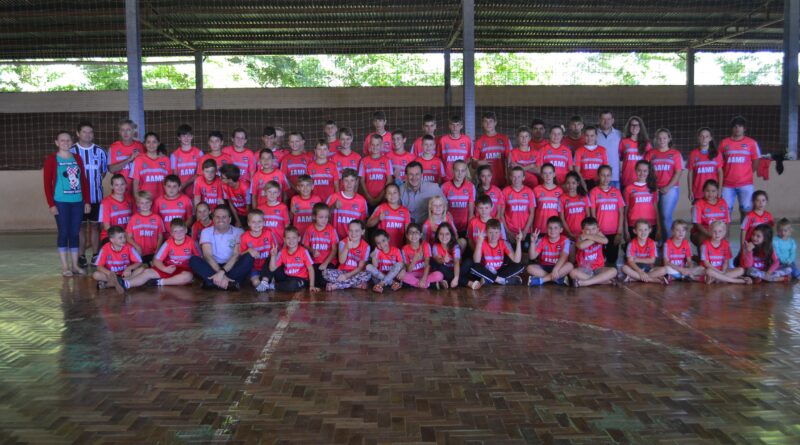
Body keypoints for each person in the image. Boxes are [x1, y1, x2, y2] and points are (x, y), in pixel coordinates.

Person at [43, 130, 92, 276]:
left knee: (74, 233)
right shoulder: (52, 160)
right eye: (62, 140)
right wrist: (51, 204)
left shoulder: (77, 158)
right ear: (57, 143)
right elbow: (47, 184)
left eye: (68, 140)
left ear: (72, 142)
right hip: (61, 202)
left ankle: (75, 265)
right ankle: (65, 267)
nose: (65, 143)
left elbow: (83, 181)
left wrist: (87, 201)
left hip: (77, 201)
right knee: (64, 232)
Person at [119, 218, 198, 290]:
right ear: (171, 233)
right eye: (175, 231)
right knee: (147, 272)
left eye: (181, 230)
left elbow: (199, 260)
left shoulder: (192, 242)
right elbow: (157, 260)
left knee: (188, 277)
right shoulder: (168, 243)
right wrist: (165, 269)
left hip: (183, 270)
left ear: (186, 230)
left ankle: (159, 282)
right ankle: (126, 284)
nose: (179, 233)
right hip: (168, 267)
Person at [70, 121, 107, 269]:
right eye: (84, 132)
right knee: (80, 227)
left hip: (95, 197)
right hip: (77, 199)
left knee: (95, 227)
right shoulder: (71, 151)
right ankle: (81, 256)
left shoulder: (100, 151)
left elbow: (103, 172)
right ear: (78, 133)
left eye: (90, 132)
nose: (88, 135)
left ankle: (96, 255)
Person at [189, 206, 254, 290]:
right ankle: (230, 284)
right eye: (217, 217)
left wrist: (222, 272)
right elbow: (207, 256)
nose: (220, 219)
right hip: (213, 266)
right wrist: (220, 272)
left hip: (232, 266)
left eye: (224, 217)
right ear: (213, 219)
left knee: (248, 258)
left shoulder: (239, 232)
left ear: (230, 219)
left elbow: (236, 255)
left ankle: (212, 283)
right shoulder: (206, 232)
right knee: (193, 260)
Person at [645, 128, 683, 242]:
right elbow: (645, 170)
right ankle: (658, 241)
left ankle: (668, 243)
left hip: (670, 189)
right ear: (656, 139)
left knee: (665, 216)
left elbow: (678, 172)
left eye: (664, 138)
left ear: (669, 139)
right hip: (653, 188)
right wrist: (651, 186)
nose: (662, 140)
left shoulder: (675, 154)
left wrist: (668, 187)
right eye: (659, 138)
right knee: (654, 216)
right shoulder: (651, 153)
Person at [719, 116, 761, 219]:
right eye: (735, 126)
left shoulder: (752, 143)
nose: (737, 129)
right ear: (731, 128)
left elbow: (756, 160)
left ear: (744, 128)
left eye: (740, 126)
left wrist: (749, 172)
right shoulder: (724, 143)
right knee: (725, 215)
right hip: (727, 185)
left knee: (746, 213)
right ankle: (725, 236)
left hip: (746, 184)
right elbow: (719, 162)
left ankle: (745, 235)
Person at [589, 165, 624, 267]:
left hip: (614, 233)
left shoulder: (616, 192)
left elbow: (621, 213)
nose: (606, 178)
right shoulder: (594, 192)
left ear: (611, 176)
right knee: (599, 260)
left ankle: (612, 277)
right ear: (598, 176)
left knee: (612, 260)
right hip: (600, 232)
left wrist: (619, 232)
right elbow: (592, 214)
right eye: (603, 175)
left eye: (608, 175)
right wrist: (596, 232)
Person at [265, 226, 319, 292]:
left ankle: (273, 286)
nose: (291, 240)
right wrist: (273, 256)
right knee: (269, 259)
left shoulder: (303, 251)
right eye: (288, 238)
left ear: (299, 239)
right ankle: (267, 282)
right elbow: (272, 269)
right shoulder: (282, 252)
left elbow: (310, 269)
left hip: (300, 279)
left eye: (294, 238)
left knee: (292, 285)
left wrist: (312, 286)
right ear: (284, 239)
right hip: (287, 277)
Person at [470, 219, 524, 286]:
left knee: (519, 266)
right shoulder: (482, 242)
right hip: (486, 271)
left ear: (500, 233)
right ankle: (501, 280)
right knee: (473, 266)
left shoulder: (503, 243)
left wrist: (518, 242)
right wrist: (479, 242)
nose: (493, 236)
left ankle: (489, 279)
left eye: (496, 232)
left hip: (499, 271)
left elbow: (516, 260)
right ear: (486, 232)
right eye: (490, 233)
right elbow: (476, 261)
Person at [568, 217, 618, 287]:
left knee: (614, 271)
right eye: (588, 230)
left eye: (593, 229)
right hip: (584, 269)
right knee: (572, 273)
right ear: (582, 231)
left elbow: (606, 241)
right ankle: (602, 281)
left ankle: (586, 283)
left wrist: (588, 236)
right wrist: (596, 238)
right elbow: (581, 246)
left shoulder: (597, 235)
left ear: (598, 229)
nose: (591, 232)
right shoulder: (580, 237)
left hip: (598, 268)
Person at [323, 219, 372, 291]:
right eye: (351, 230)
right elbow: (341, 261)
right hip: (342, 271)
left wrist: (346, 276)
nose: (353, 233)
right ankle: (355, 285)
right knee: (325, 273)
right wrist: (346, 247)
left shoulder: (366, 246)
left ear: (362, 232)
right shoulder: (343, 242)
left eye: (357, 231)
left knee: (367, 274)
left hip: (355, 272)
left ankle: (336, 286)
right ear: (348, 231)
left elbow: (360, 267)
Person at [93, 225, 143, 293]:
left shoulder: (129, 247)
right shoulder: (105, 248)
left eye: (124, 237)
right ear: (112, 240)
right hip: (112, 275)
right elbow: (99, 266)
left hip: (125, 274)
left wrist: (129, 268)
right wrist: (110, 273)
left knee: (141, 270)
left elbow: (139, 262)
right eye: (120, 238)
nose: (124, 240)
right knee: (96, 275)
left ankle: (108, 285)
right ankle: (123, 282)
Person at [526, 217, 574, 286]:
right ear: (546, 229)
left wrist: (555, 269)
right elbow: (532, 257)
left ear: (561, 230)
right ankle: (558, 279)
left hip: (559, 267)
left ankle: (542, 280)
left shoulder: (565, 240)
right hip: (544, 267)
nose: (552, 230)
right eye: (550, 228)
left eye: (555, 228)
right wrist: (533, 242)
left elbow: (564, 256)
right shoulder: (542, 240)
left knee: (570, 266)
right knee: (529, 268)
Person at [430, 222, 478, 289]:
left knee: (469, 262)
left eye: (447, 234)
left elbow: (456, 262)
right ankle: (468, 283)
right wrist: (442, 260)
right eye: (441, 234)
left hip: (457, 271)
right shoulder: (435, 246)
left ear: (451, 235)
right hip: (444, 272)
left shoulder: (455, 246)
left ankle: (449, 282)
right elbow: (436, 259)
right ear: (437, 235)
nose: (444, 237)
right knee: (438, 266)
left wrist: (456, 278)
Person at [239, 210, 278, 291]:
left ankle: (268, 280)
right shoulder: (244, 237)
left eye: (259, 221)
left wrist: (274, 254)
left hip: (267, 266)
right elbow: (241, 255)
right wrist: (249, 250)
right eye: (253, 222)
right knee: (256, 283)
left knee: (271, 262)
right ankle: (265, 284)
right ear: (249, 223)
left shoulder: (269, 233)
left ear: (264, 222)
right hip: (254, 267)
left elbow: (274, 252)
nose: (257, 224)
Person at [302, 203, 338, 289]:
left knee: (323, 281)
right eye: (321, 217)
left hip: (328, 262)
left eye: (326, 217)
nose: (324, 220)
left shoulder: (331, 229)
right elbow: (305, 246)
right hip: (314, 262)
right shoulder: (309, 229)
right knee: (309, 280)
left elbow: (334, 249)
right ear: (314, 217)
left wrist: (325, 263)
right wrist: (312, 250)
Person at [326, 168, 368, 240]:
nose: (349, 184)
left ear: (356, 182)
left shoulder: (362, 201)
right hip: (335, 240)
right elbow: (323, 216)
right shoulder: (333, 197)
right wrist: (333, 206)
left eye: (352, 180)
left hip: (353, 241)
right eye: (346, 180)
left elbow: (363, 224)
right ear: (342, 182)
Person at [473, 111, 511, 188]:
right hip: (484, 184)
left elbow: (510, 162)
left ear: (495, 123)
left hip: (501, 182)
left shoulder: (505, 139)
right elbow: (473, 165)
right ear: (482, 124)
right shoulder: (478, 141)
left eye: (491, 121)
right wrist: (479, 163)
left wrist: (509, 179)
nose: (488, 124)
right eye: (485, 121)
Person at [623, 160, 660, 241]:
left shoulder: (653, 187)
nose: (642, 173)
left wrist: (659, 228)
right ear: (635, 170)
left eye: (645, 171)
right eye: (639, 170)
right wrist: (625, 230)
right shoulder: (628, 189)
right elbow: (625, 210)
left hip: (650, 224)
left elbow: (656, 208)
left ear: (648, 172)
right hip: (634, 224)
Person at [126, 191, 165, 264]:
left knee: (153, 269)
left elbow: (160, 237)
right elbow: (128, 237)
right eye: (142, 203)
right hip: (138, 253)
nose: (145, 205)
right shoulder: (133, 219)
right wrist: (137, 247)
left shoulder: (157, 218)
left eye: (147, 202)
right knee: (139, 269)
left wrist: (157, 251)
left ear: (151, 203)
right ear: (138, 204)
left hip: (152, 253)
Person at [400, 223, 444, 289]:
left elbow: (427, 264)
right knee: (402, 276)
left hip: (425, 273)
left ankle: (416, 284)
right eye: (411, 232)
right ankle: (429, 285)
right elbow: (409, 270)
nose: (414, 235)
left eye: (416, 232)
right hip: (413, 274)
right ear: (407, 235)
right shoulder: (404, 249)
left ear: (421, 235)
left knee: (439, 275)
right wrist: (415, 259)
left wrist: (423, 279)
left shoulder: (425, 245)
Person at [367, 183, 411, 249]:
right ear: (385, 196)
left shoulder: (405, 211)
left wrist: (408, 248)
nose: (392, 195)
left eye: (395, 192)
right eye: (389, 193)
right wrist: (378, 218)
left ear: (399, 194)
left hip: (398, 249)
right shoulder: (381, 208)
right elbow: (368, 224)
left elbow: (408, 232)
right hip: (382, 249)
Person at [130, 132, 170, 201]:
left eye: (154, 142)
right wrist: (138, 200)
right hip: (145, 202)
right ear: (144, 144)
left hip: (162, 201)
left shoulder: (166, 160)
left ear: (158, 143)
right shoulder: (138, 160)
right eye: (148, 142)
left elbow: (169, 182)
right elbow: (135, 183)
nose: (151, 145)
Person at [690, 179, 729, 250]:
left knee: (725, 242)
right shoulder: (698, 204)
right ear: (703, 191)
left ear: (717, 191)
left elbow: (727, 222)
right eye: (707, 191)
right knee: (703, 239)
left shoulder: (723, 202)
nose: (710, 194)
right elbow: (697, 224)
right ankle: (700, 259)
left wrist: (724, 234)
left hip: (718, 232)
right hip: (703, 232)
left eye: (713, 191)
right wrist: (709, 234)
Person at [686, 127, 723, 203]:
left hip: (712, 192)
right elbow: (690, 173)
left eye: (706, 136)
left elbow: (720, 172)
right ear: (698, 138)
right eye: (702, 136)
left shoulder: (717, 154)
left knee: (712, 213)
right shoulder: (693, 154)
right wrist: (690, 190)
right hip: (698, 191)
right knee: (698, 214)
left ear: (710, 138)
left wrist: (719, 189)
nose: (704, 138)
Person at [359, 134, 394, 209]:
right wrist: (368, 196)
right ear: (369, 145)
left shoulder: (387, 161)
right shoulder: (364, 161)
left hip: (383, 199)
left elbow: (389, 180)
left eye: (377, 145)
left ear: (381, 145)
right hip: (368, 199)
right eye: (373, 144)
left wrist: (380, 197)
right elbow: (361, 180)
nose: (375, 147)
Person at [108, 119, 143, 193]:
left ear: (133, 131)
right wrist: (129, 159)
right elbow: (111, 169)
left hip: (137, 190)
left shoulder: (141, 146)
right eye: (123, 130)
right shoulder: (113, 147)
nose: (125, 133)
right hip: (120, 191)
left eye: (128, 130)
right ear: (120, 132)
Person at [441, 160, 476, 235]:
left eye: (462, 171)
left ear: (465, 172)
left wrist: (469, 229)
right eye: (457, 170)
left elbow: (471, 211)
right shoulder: (445, 187)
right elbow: (443, 210)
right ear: (453, 170)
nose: (460, 174)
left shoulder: (470, 187)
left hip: (465, 227)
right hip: (449, 227)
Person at [502, 166, 535, 243]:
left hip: (526, 231)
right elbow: (501, 214)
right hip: (511, 231)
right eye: (514, 177)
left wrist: (525, 231)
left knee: (526, 254)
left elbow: (532, 213)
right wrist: (508, 232)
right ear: (510, 177)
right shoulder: (505, 191)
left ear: (523, 178)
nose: (516, 179)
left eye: (519, 177)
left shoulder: (529, 192)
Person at [99, 174, 134, 245]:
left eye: (122, 184)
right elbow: (106, 226)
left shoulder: (130, 199)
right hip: (110, 236)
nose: (120, 187)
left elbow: (134, 220)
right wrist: (121, 238)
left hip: (127, 235)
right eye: (116, 185)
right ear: (111, 186)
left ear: (126, 185)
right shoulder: (105, 202)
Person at [619, 116, 651, 190]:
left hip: (641, 181)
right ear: (629, 127)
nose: (634, 127)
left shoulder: (646, 144)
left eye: (637, 125)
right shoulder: (623, 142)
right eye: (632, 125)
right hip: (627, 180)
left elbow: (649, 163)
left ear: (640, 127)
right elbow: (620, 160)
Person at [170, 124, 202, 197]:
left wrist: (185, 184)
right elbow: (175, 175)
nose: (186, 138)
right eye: (183, 135)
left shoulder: (199, 153)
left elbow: (200, 173)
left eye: (188, 135)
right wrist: (180, 186)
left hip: (196, 192)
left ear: (192, 136)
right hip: (180, 191)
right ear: (179, 138)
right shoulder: (174, 155)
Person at [573, 125, 608, 191]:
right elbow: (577, 170)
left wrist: (602, 183)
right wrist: (582, 183)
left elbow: (605, 169)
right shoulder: (579, 150)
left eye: (592, 136)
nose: (589, 138)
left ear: (596, 136)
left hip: (598, 182)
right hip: (584, 182)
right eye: (587, 135)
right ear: (584, 136)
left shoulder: (602, 150)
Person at [559, 171, 592, 240]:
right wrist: (569, 233)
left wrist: (586, 231)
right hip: (567, 235)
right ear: (565, 184)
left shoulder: (584, 197)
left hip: (583, 234)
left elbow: (588, 216)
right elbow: (562, 218)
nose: (571, 186)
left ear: (578, 184)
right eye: (568, 183)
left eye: (573, 183)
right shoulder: (561, 198)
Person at [439, 114, 472, 181]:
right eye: (453, 125)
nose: (455, 127)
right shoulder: (443, 140)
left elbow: (469, 158)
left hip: (462, 177)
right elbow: (439, 158)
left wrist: (463, 169)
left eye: (457, 125)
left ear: (461, 126)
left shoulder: (467, 140)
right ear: (449, 126)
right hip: (447, 178)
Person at [279, 131, 311, 199]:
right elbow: (284, 178)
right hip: (289, 196)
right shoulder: (285, 160)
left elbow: (310, 177)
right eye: (292, 142)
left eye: (297, 141)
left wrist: (302, 189)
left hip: (305, 194)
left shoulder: (308, 159)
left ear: (302, 142)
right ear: (289, 143)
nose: (294, 144)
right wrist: (296, 189)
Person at [532, 163, 562, 234]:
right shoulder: (536, 190)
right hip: (539, 229)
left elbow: (561, 213)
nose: (548, 176)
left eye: (550, 173)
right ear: (541, 175)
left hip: (555, 230)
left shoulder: (560, 191)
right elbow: (532, 211)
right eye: (545, 173)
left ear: (554, 174)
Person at [596, 110, 623, 190]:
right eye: (603, 119)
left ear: (613, 120)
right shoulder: (594, 134)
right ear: (599, 120)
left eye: (608, 119)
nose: (606, 121)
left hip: (615, 176)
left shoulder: (620, 134)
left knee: (614, 201)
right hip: (598, 177)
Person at [220, 163, 251, 228]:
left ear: (230, 180)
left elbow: (249, 206)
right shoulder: (224, 186)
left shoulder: (245, 187)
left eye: (223, 178)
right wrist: (237, 220)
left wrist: (248, 221)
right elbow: (230, 203)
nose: (220, 179)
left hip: (248, 213)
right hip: (236, 213)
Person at [259, 181, 290, 245]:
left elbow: (287, 227)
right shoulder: (260, 208)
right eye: (269, 192)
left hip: (279, 242)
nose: (272, 194)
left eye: (275, 192)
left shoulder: (283, 208)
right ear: (265, 193)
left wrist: (285, 244)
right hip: (264, 243)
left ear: (278, 194)